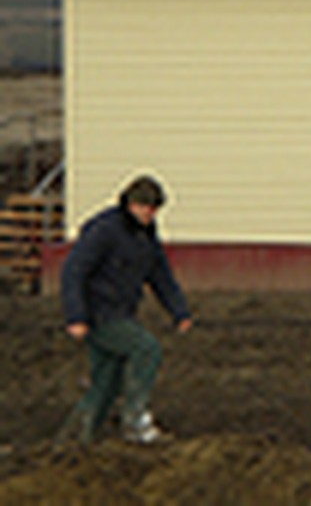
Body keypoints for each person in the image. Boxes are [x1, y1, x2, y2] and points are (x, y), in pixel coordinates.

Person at [56, 174, 193, 445]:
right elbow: (74, 271)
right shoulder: (105, 230)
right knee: (146, 349)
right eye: (144, 207)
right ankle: (136, 421)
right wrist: (76, 316)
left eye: (154, 209)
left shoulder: (146, 237)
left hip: (121, 312)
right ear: (130, 203)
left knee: (106, 381)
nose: (149, 214)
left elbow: (160, 275)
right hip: (99, 315)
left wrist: (179, 311)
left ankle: (74, 441)